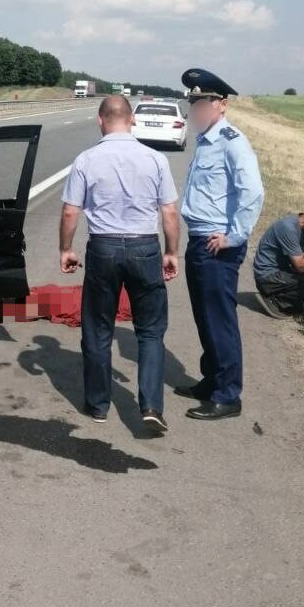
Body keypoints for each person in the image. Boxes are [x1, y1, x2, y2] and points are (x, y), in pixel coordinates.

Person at [59, 94, 180, 432]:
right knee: (151, 331)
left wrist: (66, 249)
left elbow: (71, 210)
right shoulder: (155, 159)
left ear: (100, 120)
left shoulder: (86, 159)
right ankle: (151, 405)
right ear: (132, 120)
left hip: (103, 248)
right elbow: (169, 211)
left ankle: (98, 404)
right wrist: (172, 252)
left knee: (98, 328)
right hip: (145, 247)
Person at [176, 68, 264, 421]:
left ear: (221, 105)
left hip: (218, 246)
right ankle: (212, 379)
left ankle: (228, 395)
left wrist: (234, 236)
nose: (195, 110)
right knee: (204, 317)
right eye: (192, 103)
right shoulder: (207, 139)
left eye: (202, 102)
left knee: (219, 320)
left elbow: (253, 193)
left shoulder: (232, 142)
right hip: (200, 241)